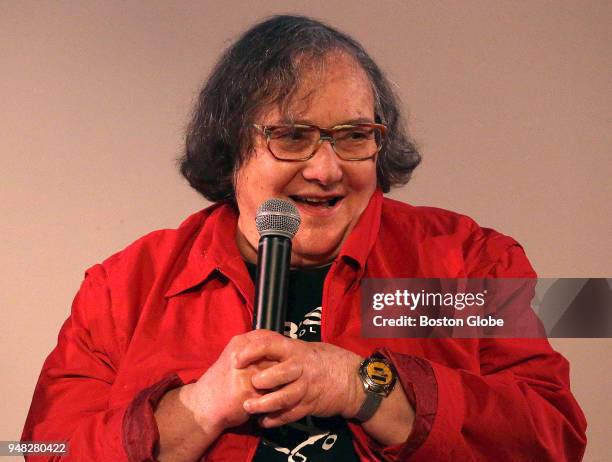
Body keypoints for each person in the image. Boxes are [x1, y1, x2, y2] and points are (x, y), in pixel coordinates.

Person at [23, 15, 587, 461]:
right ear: (230, 147)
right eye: (291, 137)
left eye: (354, 136)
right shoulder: (122, 287)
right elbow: (35, 450)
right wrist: (197, 408)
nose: (326, 168)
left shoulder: (469, 262)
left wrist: (364, 385)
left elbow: (551, 440)